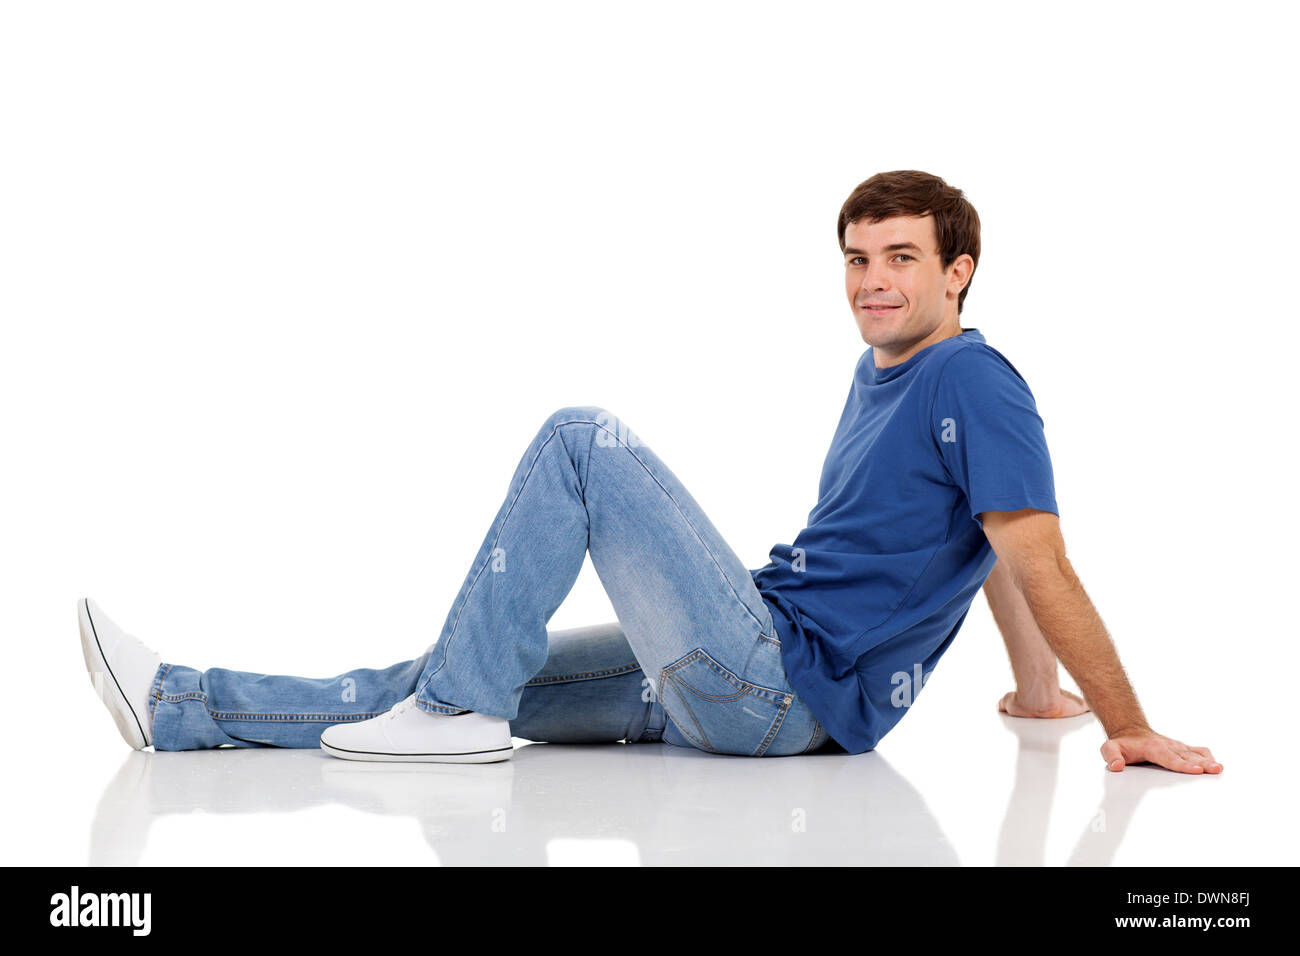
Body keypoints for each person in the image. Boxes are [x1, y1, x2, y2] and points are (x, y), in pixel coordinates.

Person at [78, 170, 1222, 775]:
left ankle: (451, 710)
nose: (871, 281)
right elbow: (984, 547)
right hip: (750, 672)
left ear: (958, 270)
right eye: (856, 259)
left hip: (776, 688)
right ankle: (182, 701)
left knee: (585, 437)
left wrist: (1129, 723)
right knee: (467, 662)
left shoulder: (973, 379)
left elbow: (1035, 552)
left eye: (901, 260)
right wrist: (1030, 693)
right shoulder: (886, 372)